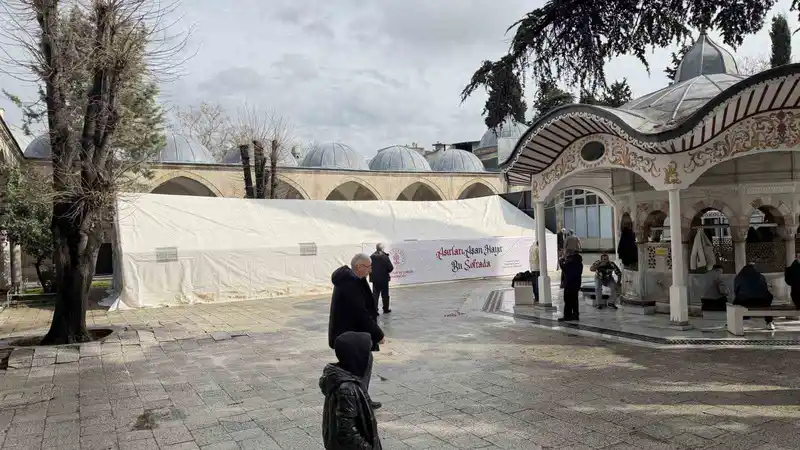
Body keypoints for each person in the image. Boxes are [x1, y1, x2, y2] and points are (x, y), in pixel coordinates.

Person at [329, 254, 385, 409]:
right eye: (368, 267)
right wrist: (378, 334)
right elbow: (360, 313)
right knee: (361, 366)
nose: (370, 270)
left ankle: (361, 399)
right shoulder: (350, 284)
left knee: (362, 365)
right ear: (359, 267)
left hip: (351, 335)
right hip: (350, 336)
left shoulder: (352, 280)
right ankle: (359, 402)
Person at [320, 332, 382, 449]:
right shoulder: (347, 389)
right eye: (366, 354)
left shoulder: (343, 378)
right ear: (357, 357)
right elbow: (347, 433)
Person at [733, 262, 775, 330]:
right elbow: (765, 289)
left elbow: (736, 290)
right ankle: (769, 322)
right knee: (768, 303)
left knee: (734, 303)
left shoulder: (739, 277)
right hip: (762, 302)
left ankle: (734, 322)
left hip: (744, 302)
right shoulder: (761, 276)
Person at [559, 249, 583, 322]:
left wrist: (561, 260)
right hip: (576, 284)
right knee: (574, 300)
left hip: (569, 284)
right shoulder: (579, 263)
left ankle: (567, 316)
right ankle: (575, 315)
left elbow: (564, 267)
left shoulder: (570, 263)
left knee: (568, 300)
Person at [370, 243, 394, 314]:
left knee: (375, 295)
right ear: (382, 248)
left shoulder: (371, 257)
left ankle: (375, 311)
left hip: (375, 279)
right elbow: (390, 268)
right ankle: (385, 309)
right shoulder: (385, 257)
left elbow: (369, 268)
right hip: (384, 279)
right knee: (385, 295)